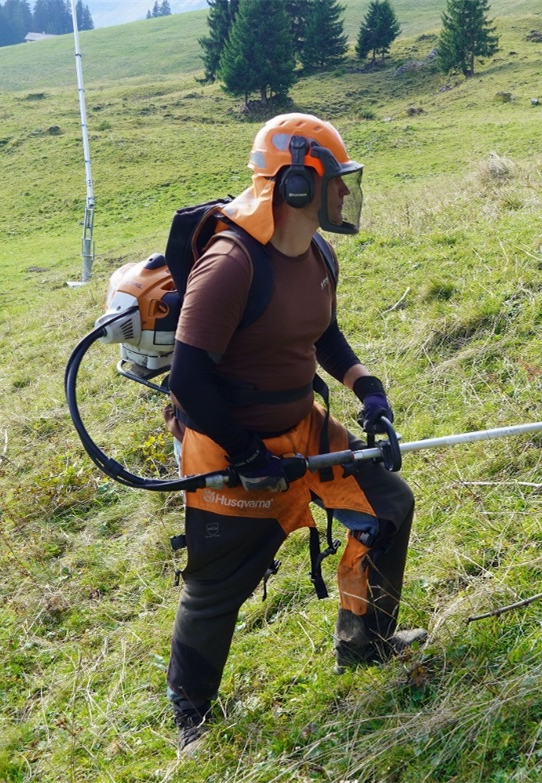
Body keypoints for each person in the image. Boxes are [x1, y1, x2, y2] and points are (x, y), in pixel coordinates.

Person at [164, 113, 423, 756]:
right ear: (298, 185)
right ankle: (191, 713)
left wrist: (369, 390)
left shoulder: (316, 253)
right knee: (219, 585)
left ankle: (366, 642)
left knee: (388, 506)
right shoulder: (230, 263)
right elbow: (188, 379)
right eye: (338, 180)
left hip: (299, 426)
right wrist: (249, 455)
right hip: (228, 446)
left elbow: (323, 334)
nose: (346, 192)